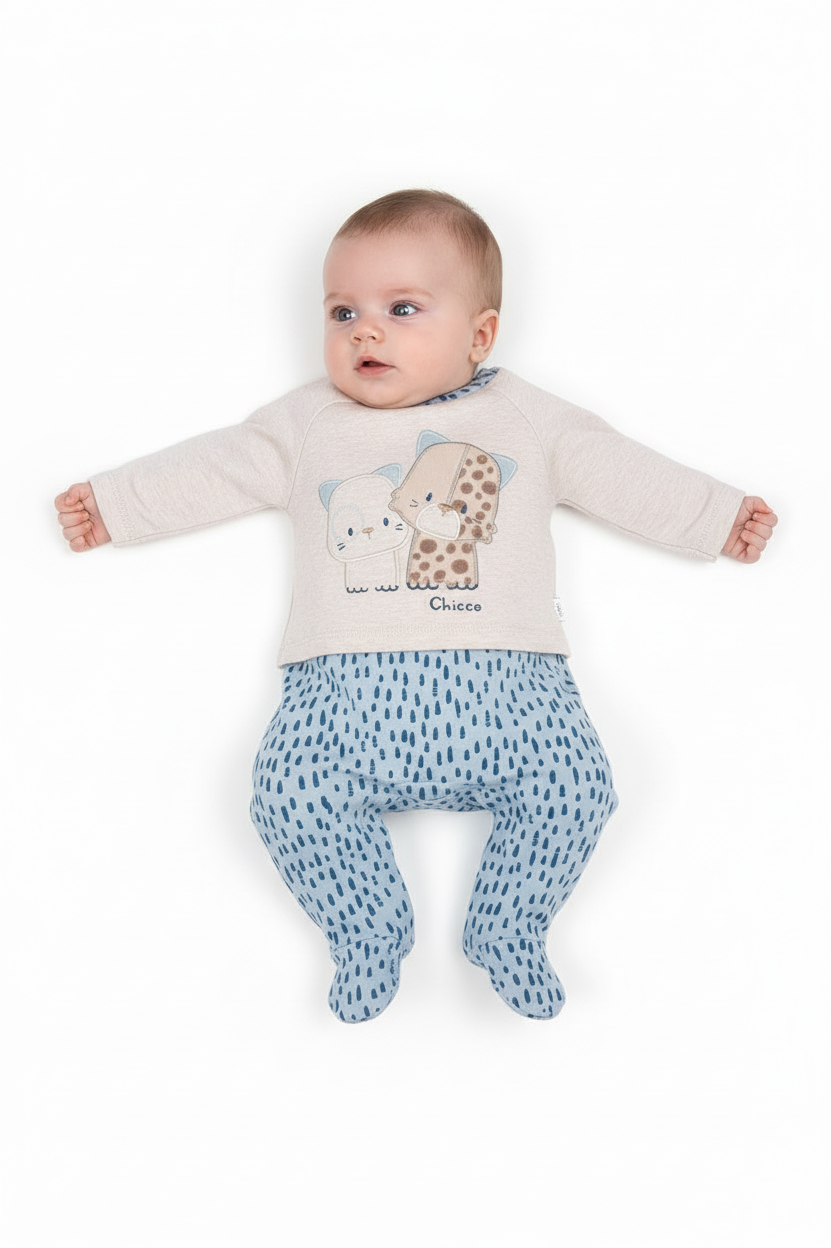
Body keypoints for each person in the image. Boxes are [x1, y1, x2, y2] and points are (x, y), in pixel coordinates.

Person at [54, 189, 777, 1024]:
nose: (365, 331)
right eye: (342, 311)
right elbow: (215, 466)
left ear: (479, 335)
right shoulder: (308, 424)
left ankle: (508, 926)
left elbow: (619, 468)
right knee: (289, 795)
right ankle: (366, 930)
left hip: (516, 690)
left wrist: (713, 516)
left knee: (576, 788)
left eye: (401, 309)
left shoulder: (526, 418)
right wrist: (117, 504)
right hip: (338, 697)